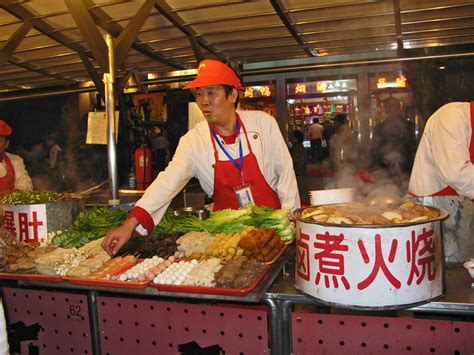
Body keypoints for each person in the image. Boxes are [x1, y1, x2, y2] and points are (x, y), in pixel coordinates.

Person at [103, 59, 300, 255]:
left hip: (273, 232)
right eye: (199, 94)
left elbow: (286, 174)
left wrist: (289, 225)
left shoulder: (263, 123)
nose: (204, 101)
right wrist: (130, 223)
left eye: (212, 93)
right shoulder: (194, 141)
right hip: (227, 240)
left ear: (232, 95)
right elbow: (167, 182)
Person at [408, 102, 474, 265]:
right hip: (436, 210)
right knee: (444, 272)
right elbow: (455, 172)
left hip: (462, 211)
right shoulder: (452, 116)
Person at [371, 97, 416, 182]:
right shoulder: (409, 126)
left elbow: (375, 151)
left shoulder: (379, 128)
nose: (391, 110)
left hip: (397, 169)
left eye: (392, 107)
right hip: (400, 169)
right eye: (389, 107)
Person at [0, 120, 33, 195]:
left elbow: (25, 182)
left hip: (10, 206)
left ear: (6, 144)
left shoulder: (15, 160)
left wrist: (16, 192)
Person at [289, 130, 308, 202]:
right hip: (300, 172)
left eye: (292, 136)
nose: (290, 138)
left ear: (296, 138)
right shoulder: (298, 146)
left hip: (299, 173)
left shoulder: (297, 148)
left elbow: (294, 160)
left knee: (302, 193)